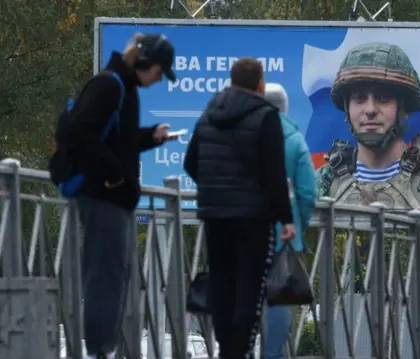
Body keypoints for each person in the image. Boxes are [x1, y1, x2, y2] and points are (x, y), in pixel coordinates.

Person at [66, 33, 178, 359]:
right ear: (148, 63)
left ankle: (102, 348)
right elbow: (81, 135)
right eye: (160, 72)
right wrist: (115, 173)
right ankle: (98, 351)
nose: (159, 79)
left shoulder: (123, 88)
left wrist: (151, 138)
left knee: (113, 275)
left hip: (112, 199)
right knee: (104, 276)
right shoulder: (110, 85)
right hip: (104, 197)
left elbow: (118, 142)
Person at [183, 58, 296, 359]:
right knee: (250, 289)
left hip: (214, 214)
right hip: (253, 219)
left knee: (222, 285)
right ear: (260, 84)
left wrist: (215, 189)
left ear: (232, 82)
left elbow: (190, 162)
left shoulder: (208, 114)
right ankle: (237, 351)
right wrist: (285, 218)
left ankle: (225, 349)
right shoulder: (266, 116)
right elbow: (274, 174)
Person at [315, 42, 420, 216]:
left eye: (383, 98)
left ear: (402, 108)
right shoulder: (323, 181)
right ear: (347, 108)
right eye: (360, 98)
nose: (370, 109)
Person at [262, 83, 317, 359]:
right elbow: (308, 192)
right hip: (283, 237)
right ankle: (272, 355)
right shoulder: (294, 140)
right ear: (285, 108)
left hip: (244, 231)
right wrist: (300, 223)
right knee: (279, 302)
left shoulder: (245, 134)